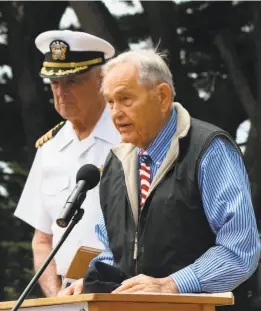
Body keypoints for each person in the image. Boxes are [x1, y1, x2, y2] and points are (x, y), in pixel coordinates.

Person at [61, 50, 261, 310]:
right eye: (110, 102)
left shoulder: (208, 150)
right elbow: (116, 252)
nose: (115, 113)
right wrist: (90, 284)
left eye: (125, 99)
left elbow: (240, 249)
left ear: (162, 96)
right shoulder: (115, 163)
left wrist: (172, 285)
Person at [14, 30, 121, 297]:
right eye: (54, 83)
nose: (61, 92)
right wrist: (56, 299)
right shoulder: (49, 149)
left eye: (73, 81)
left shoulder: (131, 138)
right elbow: (42, 241)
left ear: (102, 80)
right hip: (67, 295)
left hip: (122, 290)